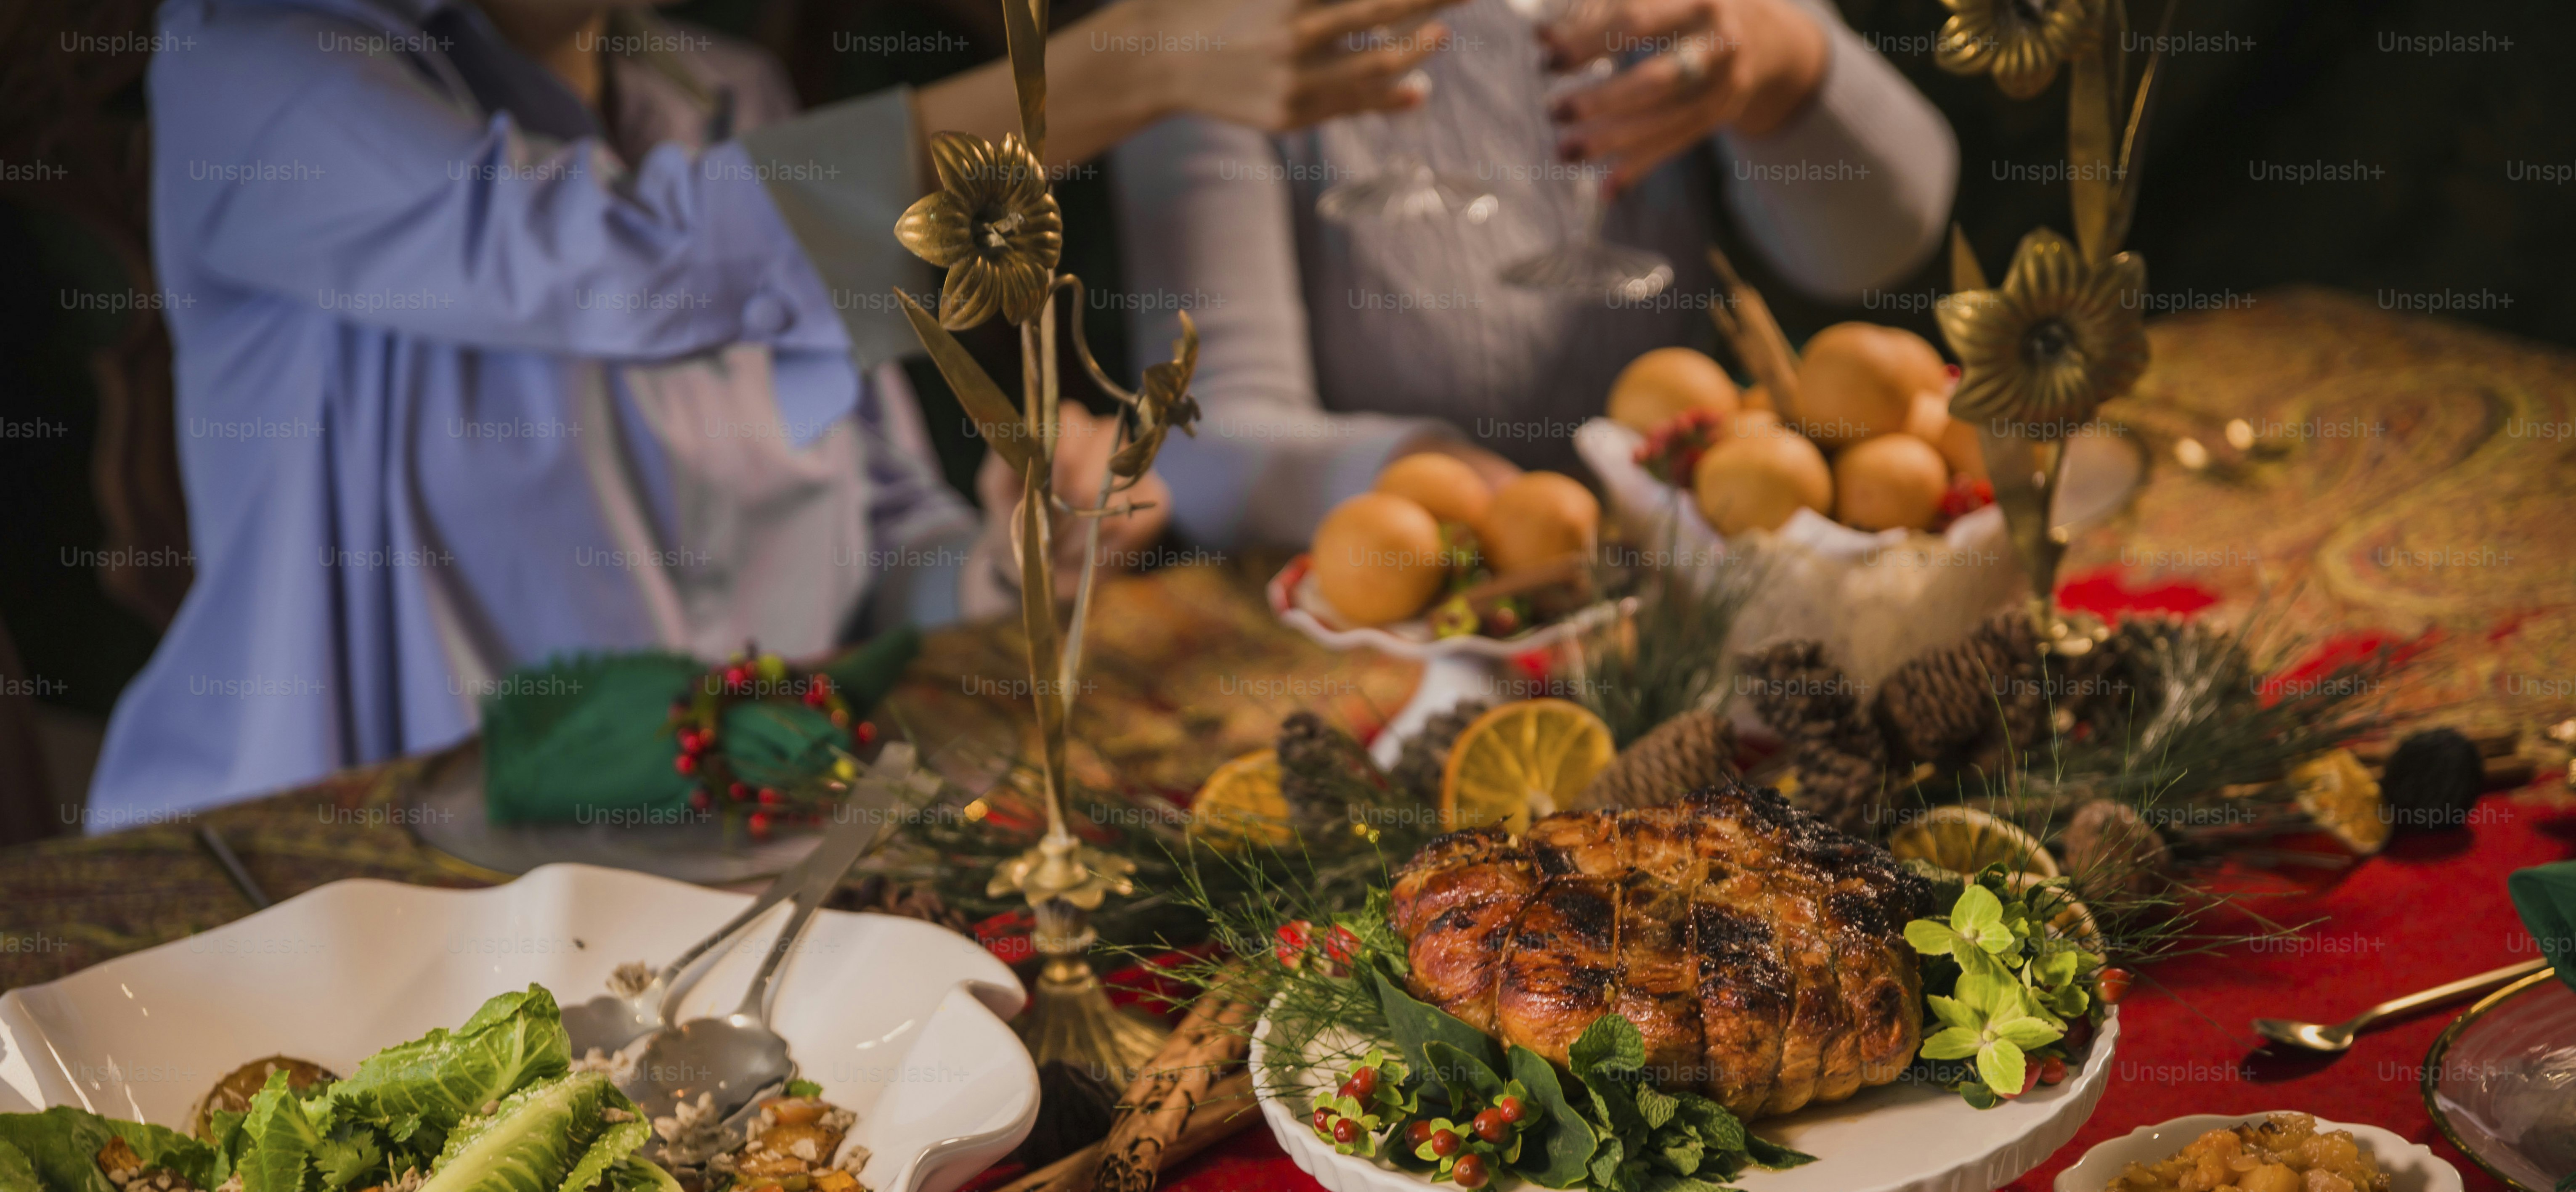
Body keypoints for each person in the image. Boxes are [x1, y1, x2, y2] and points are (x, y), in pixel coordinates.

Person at [91, 0, 1460, 824]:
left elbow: (881, 546)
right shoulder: (254, 57)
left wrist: (1011, 556)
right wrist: (1125, 68)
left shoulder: (724, 97)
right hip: (336, 879)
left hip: (708, 848)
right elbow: (629, 260)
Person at [1109, 0, 1958, 548]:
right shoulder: (1206, 35)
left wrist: (1780, 58)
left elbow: (1882, 249)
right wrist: (1428, 481)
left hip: (1708, 580)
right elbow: (1200, 440)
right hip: (1400, 658)